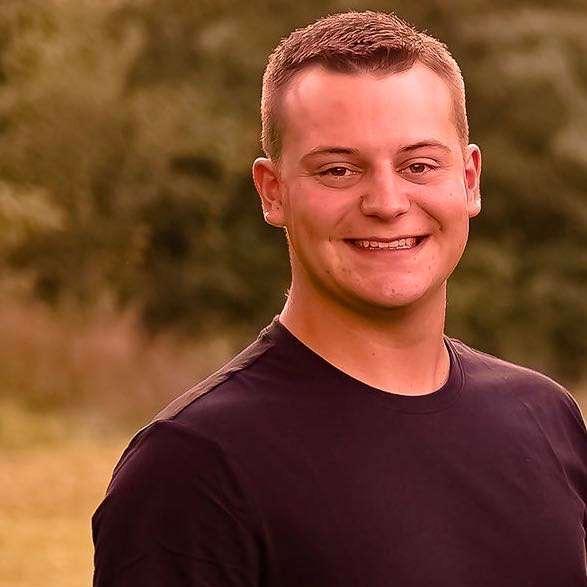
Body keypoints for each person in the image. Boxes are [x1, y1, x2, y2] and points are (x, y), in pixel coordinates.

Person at [92, 11, 587, 586]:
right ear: (272, 192)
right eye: (338, 171)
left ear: (470, 179)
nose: (387, 202)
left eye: (419, 165)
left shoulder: (544, 417)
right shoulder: (194, 466)